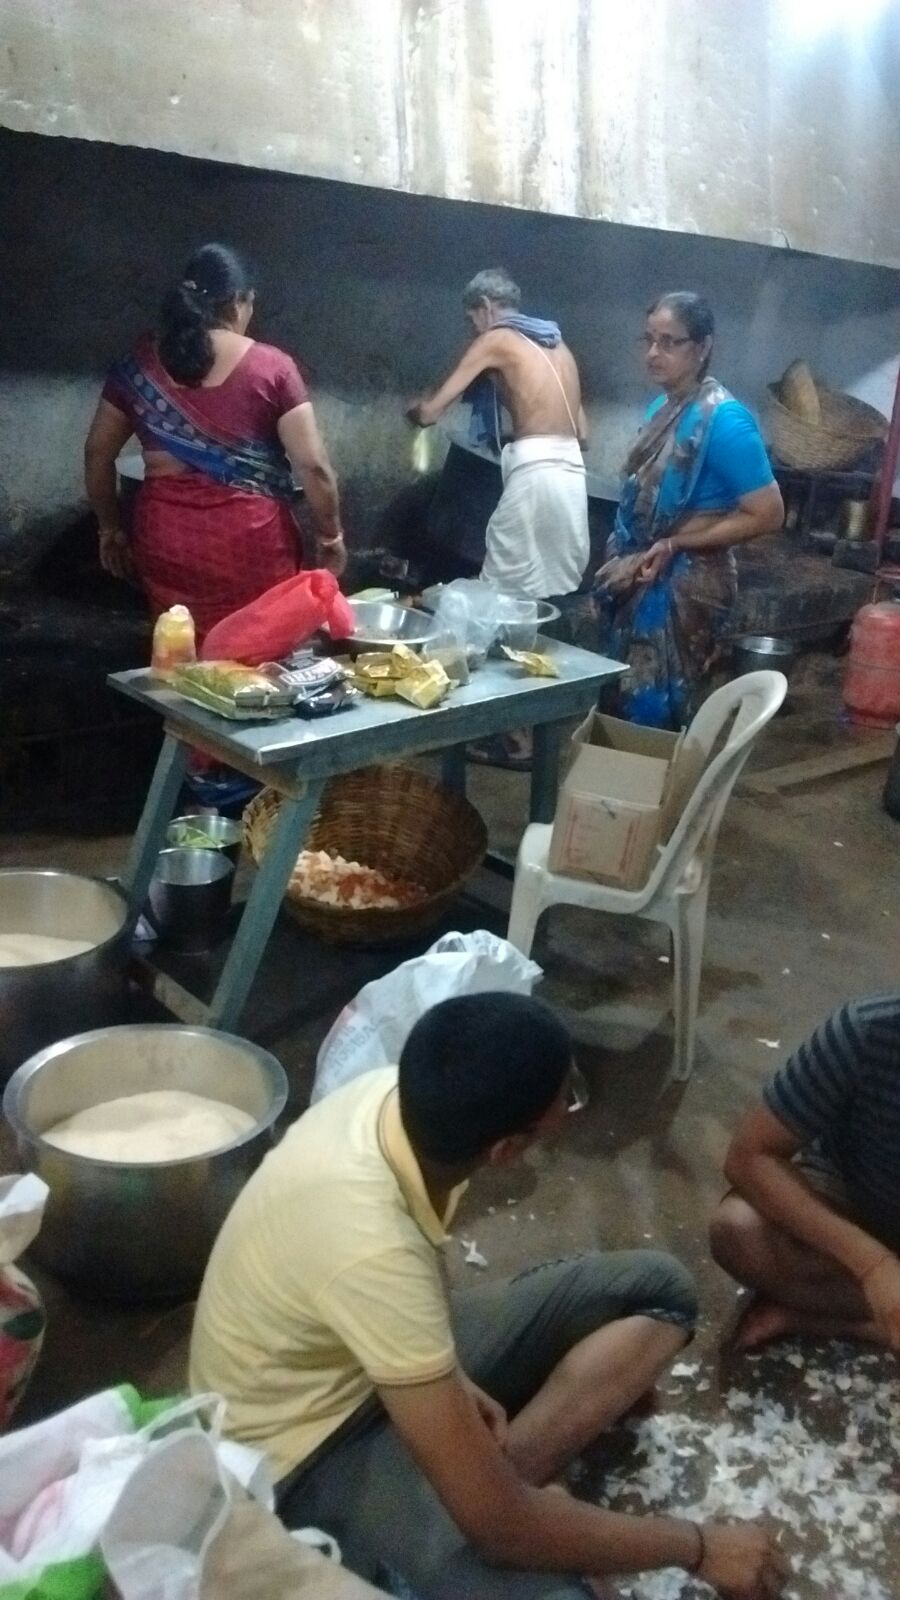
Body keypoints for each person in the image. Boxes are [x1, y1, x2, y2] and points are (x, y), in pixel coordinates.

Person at [191, 993, 786, 1600]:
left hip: (355, 1361)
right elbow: (501, 1534)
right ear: (506, 1150)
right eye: (567, 1098)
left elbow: (403, 1302)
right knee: (552, 1582)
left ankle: (487, 1486)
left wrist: (455, 1389)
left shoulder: (396, 1102)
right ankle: (474, 1504)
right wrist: (699, 1546)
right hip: (296, 1454)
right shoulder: (372, 1244)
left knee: (659, 1292)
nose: (571, 1107)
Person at [84, 243, 345, 644]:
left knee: (178, 649)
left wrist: (110, 528)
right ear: (239, 302)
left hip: (165, 539)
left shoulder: (137, 367)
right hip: (250, 543)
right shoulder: (272, 368)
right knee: (255, 656)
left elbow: (97, 454)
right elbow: (314, 468)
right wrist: (331, 537)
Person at [594, 292, 784, 731]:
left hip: (684, 583)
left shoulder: (725, 421)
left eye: (669, 342)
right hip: (641, 570)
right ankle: (625, 770)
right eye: (648, 340)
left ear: (702, 347)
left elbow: (769, 513)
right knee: (621, 701)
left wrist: (676, 542)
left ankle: (659, 772)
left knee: (657, 710)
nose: (653, 353)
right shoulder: (661, 408)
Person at [711, 993, 900, 1352]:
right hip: (854, 1198)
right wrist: (872, 1263)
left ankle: (842, 1321)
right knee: (738, 1230)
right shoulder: (867, 1029)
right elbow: (750, 1156)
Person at [407, 269, 590, 603]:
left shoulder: (496, 339)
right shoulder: (557, 343)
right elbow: (583, 435)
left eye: (471, 319)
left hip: (534, 474)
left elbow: (432, 413)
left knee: (501, 585)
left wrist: (415, 410)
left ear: (485, 306)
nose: (473, 329)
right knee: (541, 590)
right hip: (572, 475)